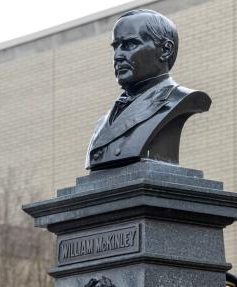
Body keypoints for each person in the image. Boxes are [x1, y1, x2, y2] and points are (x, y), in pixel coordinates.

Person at [85, 9, 210, 170]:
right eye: (115, 47)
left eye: (130, 44)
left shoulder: (179, 100)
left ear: (165, 50)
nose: (118, 55)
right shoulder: (102, 123)